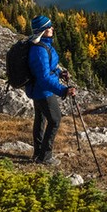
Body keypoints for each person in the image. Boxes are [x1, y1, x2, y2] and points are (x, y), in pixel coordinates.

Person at [26, 14, 74, 165]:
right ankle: (45, 157)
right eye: (49, 26)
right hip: (43, 92)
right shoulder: (39, 50)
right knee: (55, 120)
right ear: (42, 30)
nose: (52, 28)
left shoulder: (42, 45)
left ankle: (38, 153)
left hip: (37, 90)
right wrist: (63, 90)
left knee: (41, 119)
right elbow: (44, 78)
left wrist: (60, 73)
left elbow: (47, 68)